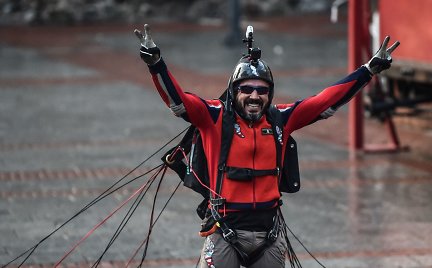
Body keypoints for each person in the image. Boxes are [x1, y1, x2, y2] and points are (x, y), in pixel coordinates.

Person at [134, 24, 399, 268]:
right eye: (246, 89)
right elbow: (177, 101)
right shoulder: (213, 116)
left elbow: (325, 101)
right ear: (234, 91)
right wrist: (157, 64)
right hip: (224, 235)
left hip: (269, 238)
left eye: (262, 90)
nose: (254, 95)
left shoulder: (280, 119)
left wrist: (368, 71)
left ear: (269, 95)